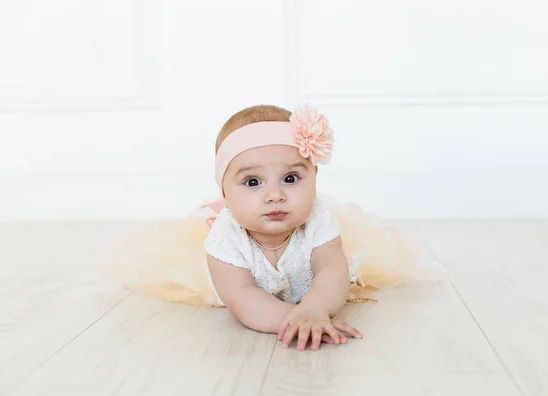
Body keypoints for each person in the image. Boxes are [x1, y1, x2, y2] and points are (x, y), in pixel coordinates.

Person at [105, 103, 445, 351]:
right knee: (227, 286)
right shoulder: (226, 238)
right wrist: (297, 318)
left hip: (313, 286)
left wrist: (317, 307)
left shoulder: (317, 220)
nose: (275, 195)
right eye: (252, 182)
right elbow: (242, 298)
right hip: (240, 288)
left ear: (314, 178)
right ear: (225, 192)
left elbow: (331, 269)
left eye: (291, 178)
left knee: (341, 265)